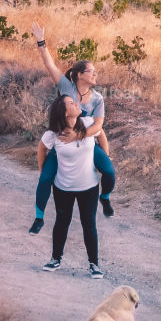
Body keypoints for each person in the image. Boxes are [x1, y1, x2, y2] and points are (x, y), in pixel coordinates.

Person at [29, 22, 116, 230]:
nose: (95, 74)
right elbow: (50, 65)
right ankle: (39, 217)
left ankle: (105, 197)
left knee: (110, 172)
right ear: (79, 75)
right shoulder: (66, 86)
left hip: (86, 143)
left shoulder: (97, 99)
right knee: (45, 179)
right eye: (91, 71)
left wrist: (80, 137)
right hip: (62, 143)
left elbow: (99, 127)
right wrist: (41, 41)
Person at [40, 94, 104, 278]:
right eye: (70, 103)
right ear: (64, 112)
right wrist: (44, 172)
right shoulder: (53, 134)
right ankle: (55, 259)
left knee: (88, 223)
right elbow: (41, 148)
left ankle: (94, 265)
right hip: (63, 186)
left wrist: (104, 161)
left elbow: (101, 135)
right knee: (62, 221)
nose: (76, 104)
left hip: (89, 185)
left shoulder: (88, 122)